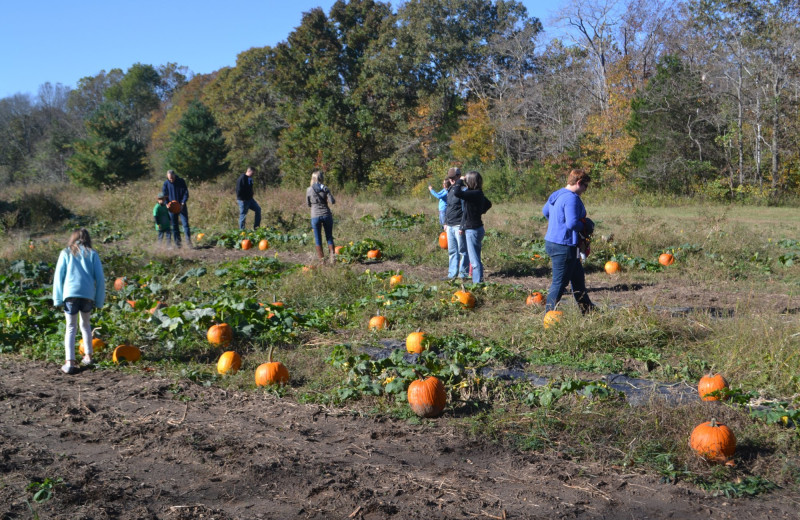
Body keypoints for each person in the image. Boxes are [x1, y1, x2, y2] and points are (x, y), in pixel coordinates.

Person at [542, 168, 595, 314]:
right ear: (579, 183)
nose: (585, 190)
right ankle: (550, 316)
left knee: (578, 280)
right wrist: (585, 225)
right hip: (564, 246)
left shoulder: (557, 194)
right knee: (559, 283)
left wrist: (557, 224)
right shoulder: (571, 198)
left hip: (553, 242)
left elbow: (545, 212)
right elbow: (572, 223)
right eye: (585, 186)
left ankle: (589, 311)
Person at [52, 229, 105, 374]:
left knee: (71, 327)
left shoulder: (66, 253)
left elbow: (58, 277)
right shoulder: (92, 254)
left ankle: (69, 362)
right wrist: (99, 301)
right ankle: (88, 356)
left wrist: (57, 298)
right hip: (88, 295)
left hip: (70, 295)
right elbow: (100, 279)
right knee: (85, 325)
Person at [452, 171, 492, 284]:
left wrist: (459, 180)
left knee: (474, 260)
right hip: (475, 228)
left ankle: (477, 283)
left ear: (470, 181)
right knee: (475, 257)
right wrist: (479, 211)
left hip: (473, 230)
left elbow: (457, 192)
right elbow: (488, 203)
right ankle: (478, 281)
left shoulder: (474, 193)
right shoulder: (476, 193)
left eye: (466, 179)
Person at [443, 167, 469, 280]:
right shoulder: (449, 190)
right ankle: (452, 274)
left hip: (459, 225)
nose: (452, 180)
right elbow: (448, 207)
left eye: (454, 177)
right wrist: (445, 223)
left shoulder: (463, 190)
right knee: (452, 251)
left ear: (459, 176)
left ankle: (463, 274)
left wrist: (463, 226)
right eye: (450, 178)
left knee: (462, 251)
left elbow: (465, 210)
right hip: (450, 225)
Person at [306, 170, 336, 262]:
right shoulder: (325, 188)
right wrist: (328, 192)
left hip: (315, 215)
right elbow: (332, 201)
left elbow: (308, 204)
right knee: (329, 237)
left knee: (318, 238)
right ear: (321, 178)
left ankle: (322, 261)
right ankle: (332, 259)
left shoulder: (309, 189)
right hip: (326, 214)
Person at [162, 169, 192, 248]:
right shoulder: (166, 184)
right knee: (175, 226)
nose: (171, 179)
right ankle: (178, 244)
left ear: (174, 175)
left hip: (181, 206)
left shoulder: (181, 181)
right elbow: (164, 196)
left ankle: (189, 243)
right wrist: (167, 204)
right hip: (172, 208)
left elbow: (186, 193)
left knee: (185, 224)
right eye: (169, 178)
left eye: (172, 177)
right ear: (167, 177)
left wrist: (182, 203)